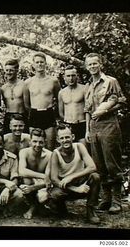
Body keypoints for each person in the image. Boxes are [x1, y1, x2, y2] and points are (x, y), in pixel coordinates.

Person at [84, 53, 127, 214]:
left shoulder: (111, 81)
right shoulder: (88, 86)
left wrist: (106, 110)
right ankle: (106, 198)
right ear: (86, 66)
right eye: (90, 64)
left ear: (100, 64)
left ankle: (117, 201)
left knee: (112, 163)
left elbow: (122, 101)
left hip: (109, 126)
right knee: (99, 165)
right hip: (94, 128)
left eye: (95, 63)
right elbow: (87, 110)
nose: (93, 67)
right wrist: (87, 130)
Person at [48, 125, 101, 224]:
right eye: (62, 138)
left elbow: (92, 167)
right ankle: (62, 210)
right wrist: (75, 188)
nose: (65, 140)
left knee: (95, 177)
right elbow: (54, 178)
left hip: (80, 181)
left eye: (67, 137)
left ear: (72, 137)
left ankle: (91, 210)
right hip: (66, 187)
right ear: (58, 140)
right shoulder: (56, 153)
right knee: (55, 194)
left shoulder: (79, 146)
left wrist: (71, 176)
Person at [23, 52, 61, 150]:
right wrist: (32, 112)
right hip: (35, 114)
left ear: (45, 64)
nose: (39, 64)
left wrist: (56, 114)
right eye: (37, 62)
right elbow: (26, 104)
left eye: (42, 62)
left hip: (48, 113)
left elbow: (59, 99)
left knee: (50, 146)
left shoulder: (53, 81)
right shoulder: (28, 82)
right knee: (34, 146)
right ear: (33, 65)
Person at [18, 128, 52, 219]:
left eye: (41, 142)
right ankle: (33, 205)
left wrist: (34, 187)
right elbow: (22, 171)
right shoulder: (24, 152)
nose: (37, 145)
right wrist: (43, 176)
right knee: (26, 180)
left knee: (43, 197)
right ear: (30, 141)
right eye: (35, 141)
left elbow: (49, 179)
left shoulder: (49, 155)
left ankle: (37, 206)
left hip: (42, 185)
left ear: (45, 142)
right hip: (30, 181)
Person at [58, 65, 88, 145]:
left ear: (77, 76)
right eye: (68, 76)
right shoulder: (62, 93)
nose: (71, 78)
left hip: (82, 124)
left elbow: (89, 109)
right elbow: (61, 112)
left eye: (73, 75)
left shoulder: (84, 89)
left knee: (83, 149)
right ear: (64, 77)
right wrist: (66, 123)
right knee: (70, 151)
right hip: (69, 125)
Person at [1, 59, 27, 134]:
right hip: (8, 116)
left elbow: (27, 105)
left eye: (11, 70)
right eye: (7, 70)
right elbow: (6, 104)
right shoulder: (3, 88)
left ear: (16, 70)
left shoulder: (23, 85)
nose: (8, 73)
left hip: (21, 115)